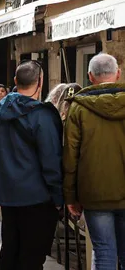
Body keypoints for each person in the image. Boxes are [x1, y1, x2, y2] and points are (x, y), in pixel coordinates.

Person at [0, 60, 63, 270]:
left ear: (15, 81)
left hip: (9, 195)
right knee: (32, 256)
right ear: (40, 82)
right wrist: (58, 196)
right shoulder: (41, 115)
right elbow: (51, 159)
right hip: (36, 196)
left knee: (11, 250)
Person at [64, 53, 125, 269]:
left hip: (95, 191)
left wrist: (70, 196)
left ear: (90, 76)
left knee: (104, 251)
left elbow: (70, 155)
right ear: (117, 74)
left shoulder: (78, 108)